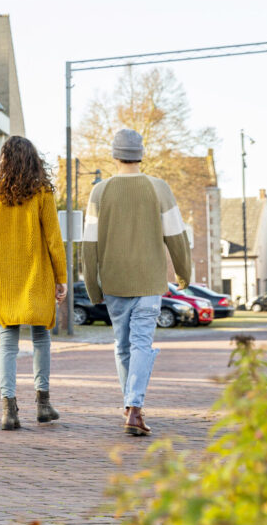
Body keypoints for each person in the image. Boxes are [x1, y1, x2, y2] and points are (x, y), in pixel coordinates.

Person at [80, 129, 192, 436]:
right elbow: (176, 237)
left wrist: (92, 286)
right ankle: (134, 408)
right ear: (140, 154)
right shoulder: (159, 188)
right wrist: (184, 275)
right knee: (142, 343)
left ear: (115, 155)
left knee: (123, 345)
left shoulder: (99, 192)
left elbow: (88, 245)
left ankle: (131, 406)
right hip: (148, 280)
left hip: (114, 281)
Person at [0, 136, 67, 430]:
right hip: (37, 274)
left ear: (4, 160)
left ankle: (9, 410)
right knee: (41, 337)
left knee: (7, 342)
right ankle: (43, 404)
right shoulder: (42, 193)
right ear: (33, 160)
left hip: (5, 275)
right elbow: (54, 240)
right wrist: (61, 278)